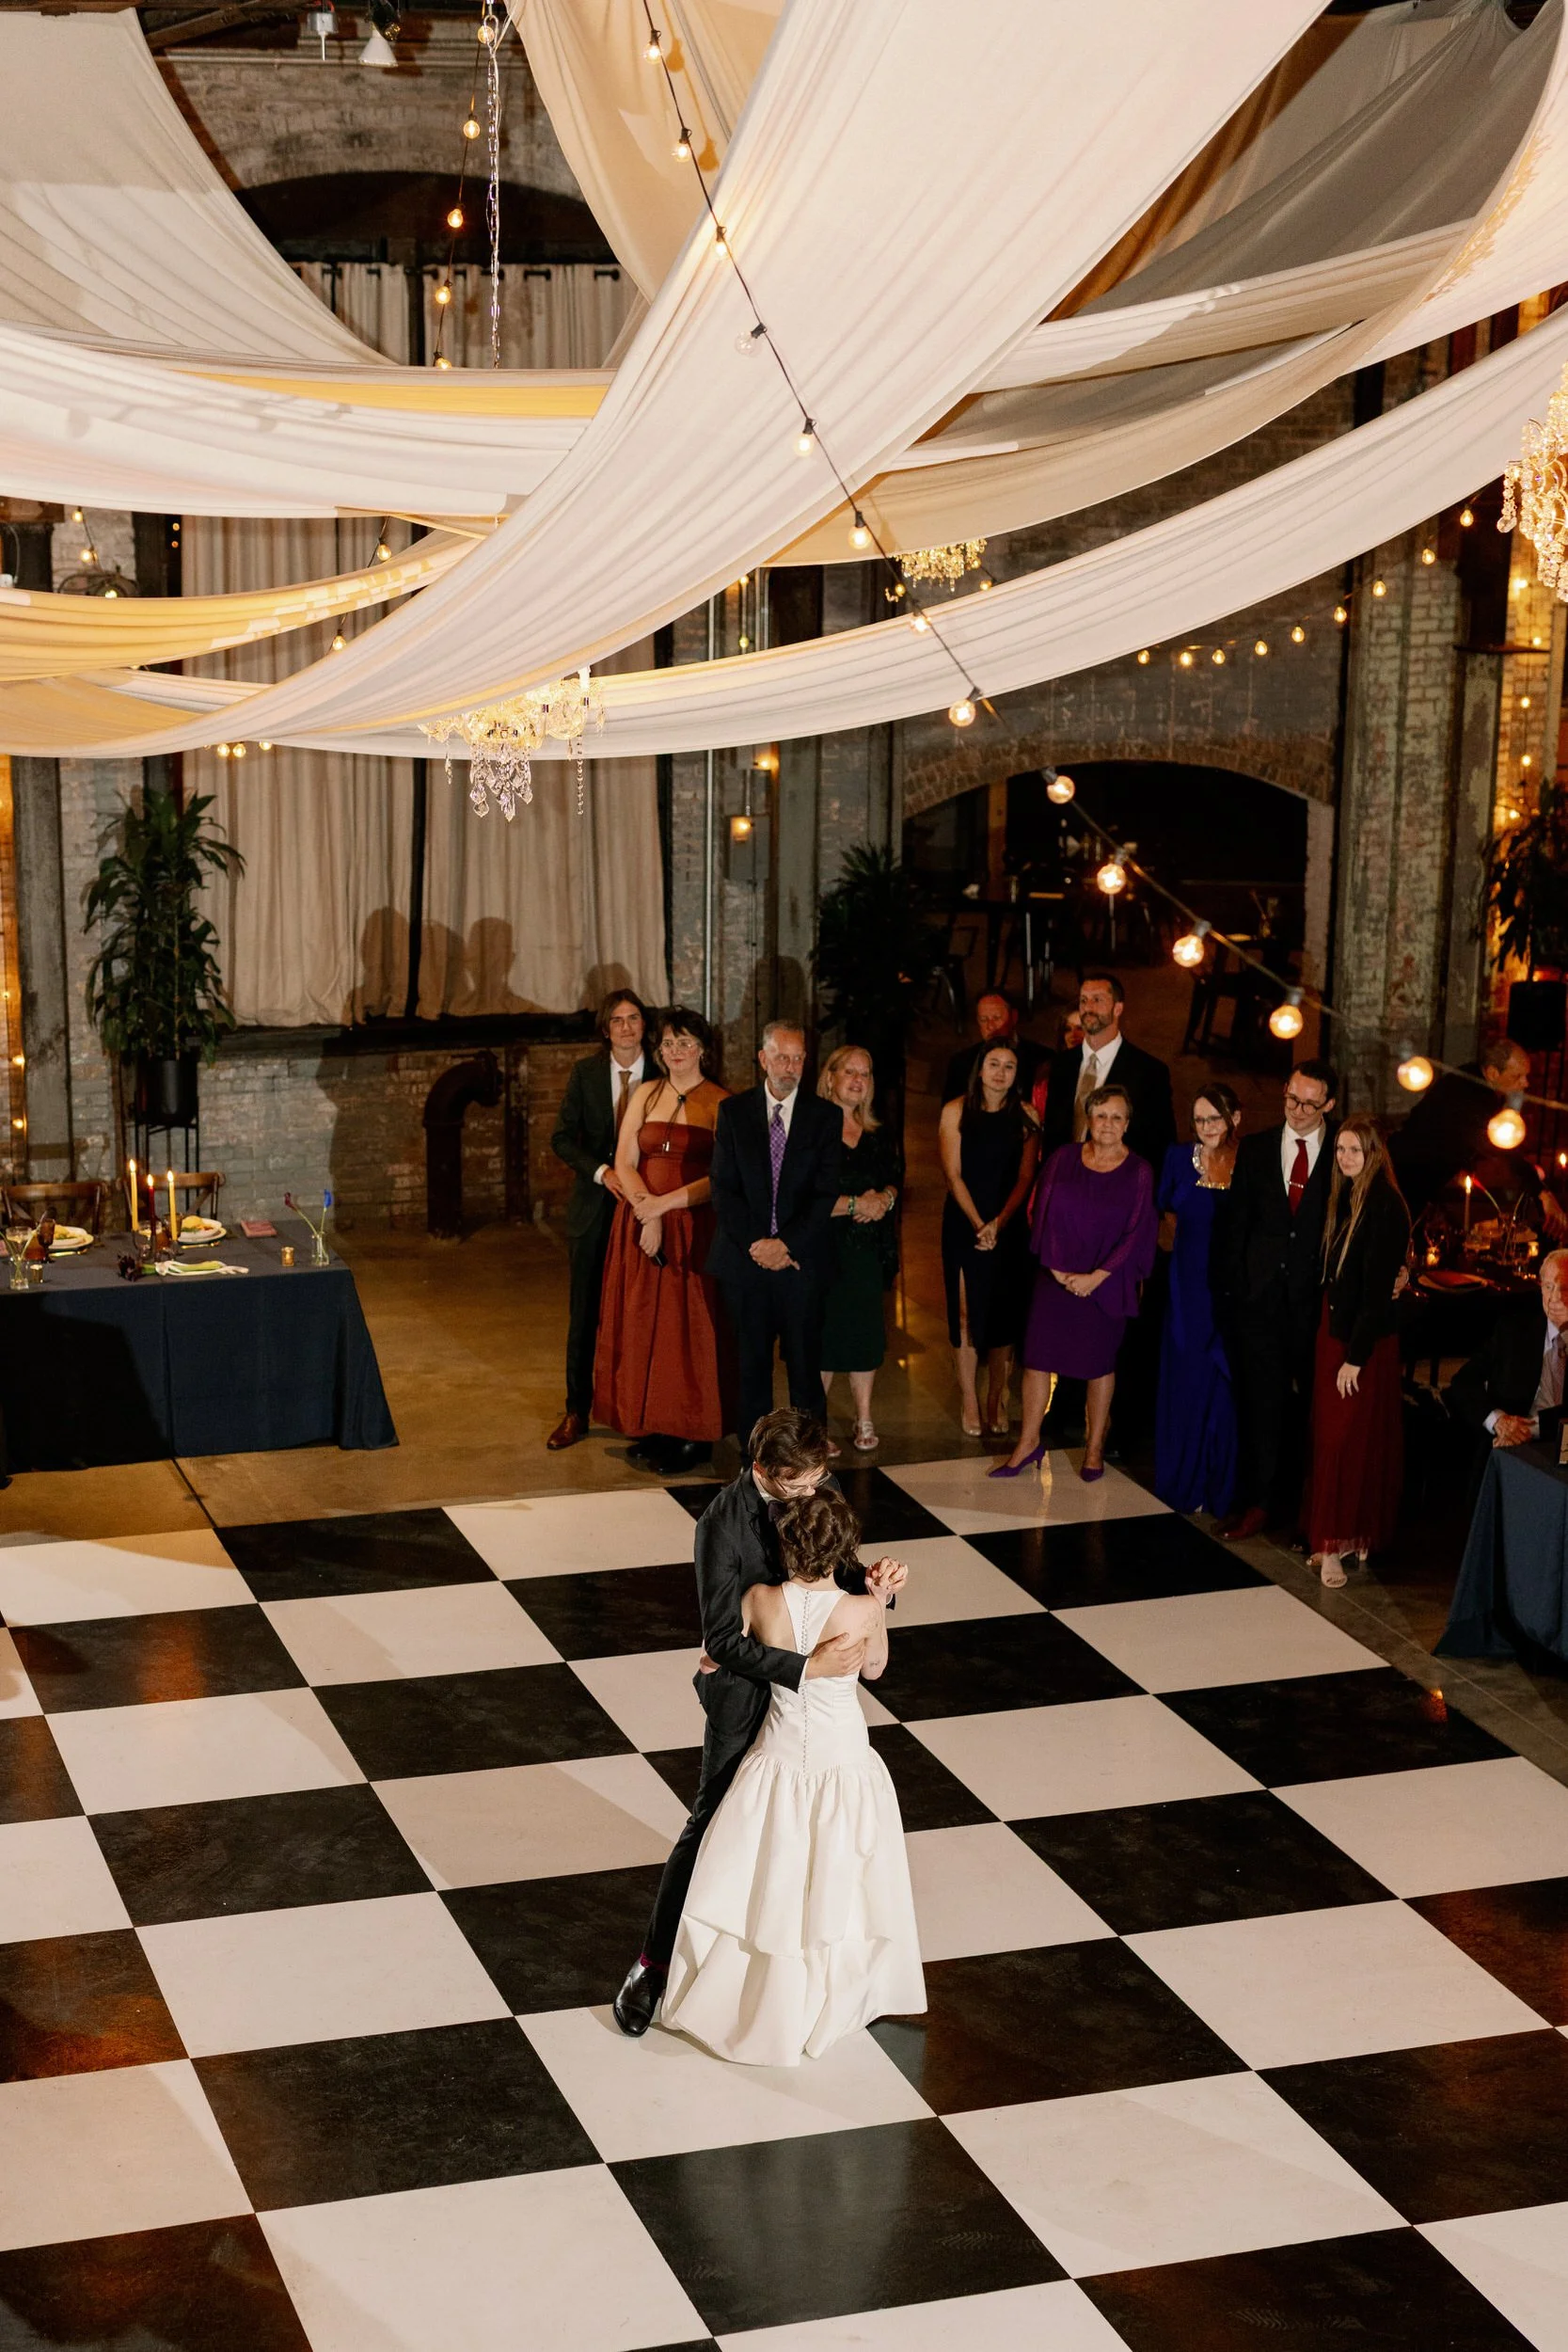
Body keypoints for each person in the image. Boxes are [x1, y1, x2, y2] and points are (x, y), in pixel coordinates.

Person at [613, 1406, 907, 2037]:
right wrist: (809, 1668)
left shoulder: (812, 1491)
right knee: (712, 1820)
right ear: (761, 1470)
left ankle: (800, 1975)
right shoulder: (721, 1526)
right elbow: (721, 1639)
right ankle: (654, 1965)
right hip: (749, 1698)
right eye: (797, 1483)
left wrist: (875, 1583)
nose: (811, 1491)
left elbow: (835, 1569)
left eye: (818, 1477)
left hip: (813, 1709)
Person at [660, 1485, 925, 2065]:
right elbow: (876, 1669)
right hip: (841, 1759)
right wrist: (877, 1603)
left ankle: (760, 1994)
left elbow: (720, 1651)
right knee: (839, 1870)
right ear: (843, 1550)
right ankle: (832, 1989)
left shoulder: (758, 1600)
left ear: (786, 1546)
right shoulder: (858, 1610)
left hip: (776, 1753)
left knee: (771, 1869)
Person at [593, 1008, 733, 1475]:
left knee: (686, 1329)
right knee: (642, 1323)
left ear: (703, 1050)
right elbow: (625, 1159)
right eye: (669, 1044)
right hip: (638, 1221)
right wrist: (644, 1209)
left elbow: (722, 1178)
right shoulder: (646, 1093)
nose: (676, 1052)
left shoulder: (721, 1102)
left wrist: (665, 1206)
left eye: (686, 1044)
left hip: (693, 1225)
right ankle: (652, 1424)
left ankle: (692, 1432)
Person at [994, 1080, 1157, 1481]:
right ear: (1088, 1118)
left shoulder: (1139, 1171)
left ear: (1127, 1124)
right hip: (1057, 1277)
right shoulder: (1063, 1158)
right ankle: (1027, 1443)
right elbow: (1040, 1213)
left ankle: (1095, 1447)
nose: (1107, 1123)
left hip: (1106, 1283)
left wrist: (1095, 1278)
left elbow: (1137, 1232)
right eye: (1100, 1115)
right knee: (1036, 1361)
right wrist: (1060, 1271)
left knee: (1099, 1365)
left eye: (1116, 1117)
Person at [1212, 1057, 1338, 1541]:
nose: (1299, 1111)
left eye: (1310, 1103)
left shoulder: (1343, 1152)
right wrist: (1238, 1292)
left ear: (1328, 1103)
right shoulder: (1260, 1147)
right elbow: (1238, 1228)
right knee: (1261, 1405)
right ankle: (1260, 1503)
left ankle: (1309, 1510)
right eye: (1292, 1099)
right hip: (1260, 1303)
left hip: (1316, 1305)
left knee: (1313, 1410)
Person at [708, 1021, 843, 1445]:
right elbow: (724, 1189)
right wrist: (759, 1246)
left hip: (799, 1264)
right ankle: (755, 1468)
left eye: (799, 1058)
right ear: (763, 1059)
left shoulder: (825, 1117)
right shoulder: (734, 1113)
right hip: (746, 1264)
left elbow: (824, 1194)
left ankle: (809, 1465)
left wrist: (786, 1245)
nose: (791, 1066)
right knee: (751, 1371)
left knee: (805, 1371)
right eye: (782, 1057)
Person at [1305, 1115, 1411, 1587]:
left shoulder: (1384, 1205)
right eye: (1341, 1149)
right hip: (1336, 1329)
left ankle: (1338, 1541)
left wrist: (1355, 1356)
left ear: (1373, 1155)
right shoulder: (1345, 1196)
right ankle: (1338, 1536)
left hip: (1360, 1341)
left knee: (1346, 1439)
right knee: (1334, 1437)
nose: (1346, 1157)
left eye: (1355, 1150)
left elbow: (1374, 1292)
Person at [546, 989, 648, 1451]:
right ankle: (576, 1411)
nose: (626, 1028)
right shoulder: (585, 1074)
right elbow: (562, 1138)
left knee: (642, 1312)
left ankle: (641, 1411)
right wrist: (602, 1171)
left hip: (646, 1208)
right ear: (605, 1029)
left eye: (634, 1018)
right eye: (618, 1021)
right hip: (594, 1208)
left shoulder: (665, 1076)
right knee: (584, 1315)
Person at [939, 1042, 1039, 1438]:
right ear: (980, 1069)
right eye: (993, 1064)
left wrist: (999, 1223)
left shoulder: (1027, 1115)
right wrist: (981, 1223)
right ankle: (968, 1398)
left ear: (1017, 1073)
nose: (1000, 1072)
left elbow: (1026, 1176)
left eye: (1009, 1066)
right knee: (965, 1315)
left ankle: (996, 1395)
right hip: (965, 1221)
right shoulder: (955, 1110)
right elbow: (953, 1174)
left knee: (1003, 1316)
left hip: (1008, 1223)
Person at [1154, 1084, 1242, 1517]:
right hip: (1186, 1287)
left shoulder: (1250, 1162)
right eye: (1200, 1119)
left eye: (1215, 1118)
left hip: (1232, 1290)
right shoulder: (1176, 1157)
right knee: (1186, 1380)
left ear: (1234, 1120)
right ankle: (1183, 1480)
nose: (1207, 1127)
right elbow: (1167, 1217)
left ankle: (1220, 1486)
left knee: (1223, 1386)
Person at [816, 1045, 902, 1455]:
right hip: (824, 1248)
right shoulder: (811, 1129)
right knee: (824, 1336)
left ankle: (863, 1416)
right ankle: (815, 1423)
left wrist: (884, 1198)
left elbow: (894, 1179)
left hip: (867, 1249)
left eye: (864, 1074)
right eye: (849, 1071)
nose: (857, 1080)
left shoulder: (878, 1131)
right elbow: (802, 1196)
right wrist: (854, 1204)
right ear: (830, 1077)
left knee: (865, 1333)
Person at [1039, 973, 1176, 1167]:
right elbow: (1052, 1136)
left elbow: (1161, 1144)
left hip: (1117, 1184)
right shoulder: (1062, 1064)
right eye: (1084, 1000)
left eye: (1098, 1000)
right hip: (1065, 1180)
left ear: (1118, 1008)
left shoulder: (1149, 1072)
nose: (1088, 1008)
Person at [1391, 1038, 1531, 1224]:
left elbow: (1460, 1132)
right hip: (1407, 1175)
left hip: (1418, 1174)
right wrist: (1540, 1190)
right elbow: (1500, 1146)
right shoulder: (1471, 1093)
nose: (1525, 1083)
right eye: (1517, 1076)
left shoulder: (1473, 1081)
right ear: (1492, 1073)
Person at [1447, 1248, 1568, 1450]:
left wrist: (1530, 1430)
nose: (1554, 1298)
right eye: (1548, 1287)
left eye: (1565, 1289)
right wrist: (1498, 1421)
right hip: (1510, 1445)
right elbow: (1462, 1383)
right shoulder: (1514, 1332)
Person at [942, 991, 1043, 1108]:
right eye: (983, 1020)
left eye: (996, 1018)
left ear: (1014, 1017)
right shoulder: (960, 1063)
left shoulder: (1041, 1059)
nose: (990, 1026)